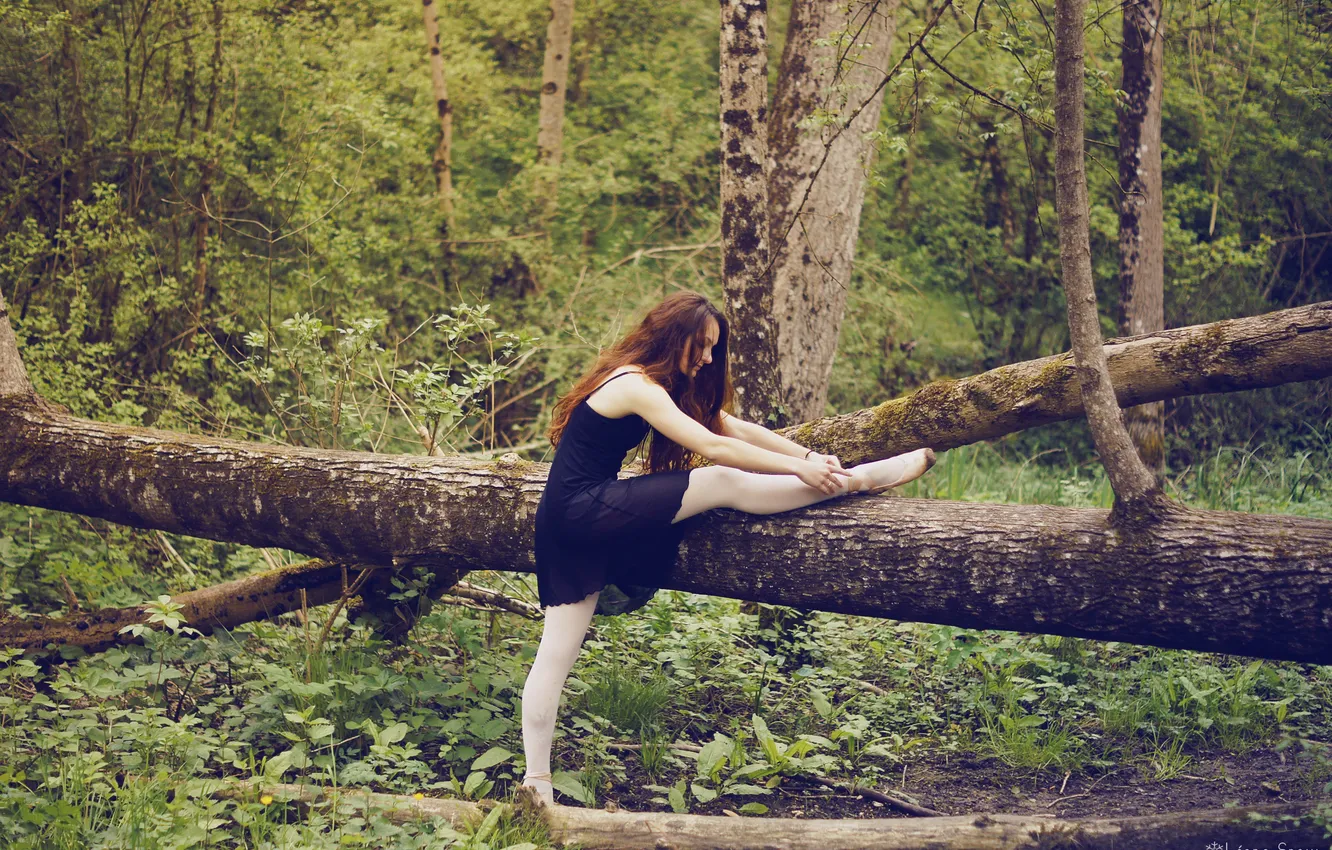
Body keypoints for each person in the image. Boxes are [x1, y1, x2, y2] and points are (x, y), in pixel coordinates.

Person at [516, 291, 935, 811]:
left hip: (573, 515)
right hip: (579, 512)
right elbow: (714, 448)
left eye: (715, 347)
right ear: (675, 337)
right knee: (719, 481)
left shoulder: (659, 385)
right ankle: (857, 482)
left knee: (556, 655)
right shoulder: (634, 384)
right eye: (703, 345)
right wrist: (802, 470)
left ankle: (536, 784)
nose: (710, 358)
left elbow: (732, 427)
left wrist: (809, 455)